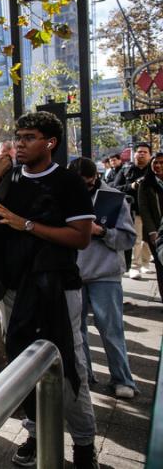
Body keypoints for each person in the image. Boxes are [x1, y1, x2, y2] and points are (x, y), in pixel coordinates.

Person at [0, 111, 98, 468]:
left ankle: (83, 444)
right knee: (22, 364)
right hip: (14, 289)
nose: (20, 143)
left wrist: (26, 224)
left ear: (51, 143)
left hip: (57, 287)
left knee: (66, 362)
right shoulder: (10, 177)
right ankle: (34, 434)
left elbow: (80, 238)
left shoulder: (68, 183)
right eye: (18, 137)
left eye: (29, 137)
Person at [68, 158, 137, 399]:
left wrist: (103, 232)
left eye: (87, 185)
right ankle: (85, 374)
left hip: (105, 274)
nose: (83, 190)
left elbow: (128, 238)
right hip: (74, 272)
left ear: (95, 178)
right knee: (77, 331)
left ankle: (122, 379)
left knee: (110, 329)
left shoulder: (113, 198)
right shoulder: (64, 197)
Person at [114, 142, 153, 279]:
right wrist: (131, 186)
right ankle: (134, 266)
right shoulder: (126, 169)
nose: (141, 154)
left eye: (145, 152)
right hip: (133, 210)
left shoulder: (154, 170)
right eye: (139, 151)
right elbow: (115, 187)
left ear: (150, 155)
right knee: (136, 239)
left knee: (150, 239)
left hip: (151, 211)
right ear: (134, 154)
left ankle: (145, 263)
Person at [138, 151, 163, 294]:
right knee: (161, 267)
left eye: (161, 162)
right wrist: (152, 232)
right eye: (155, 163)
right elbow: (144, 210)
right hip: (158, 233)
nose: (158, 166)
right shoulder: (146, 185)